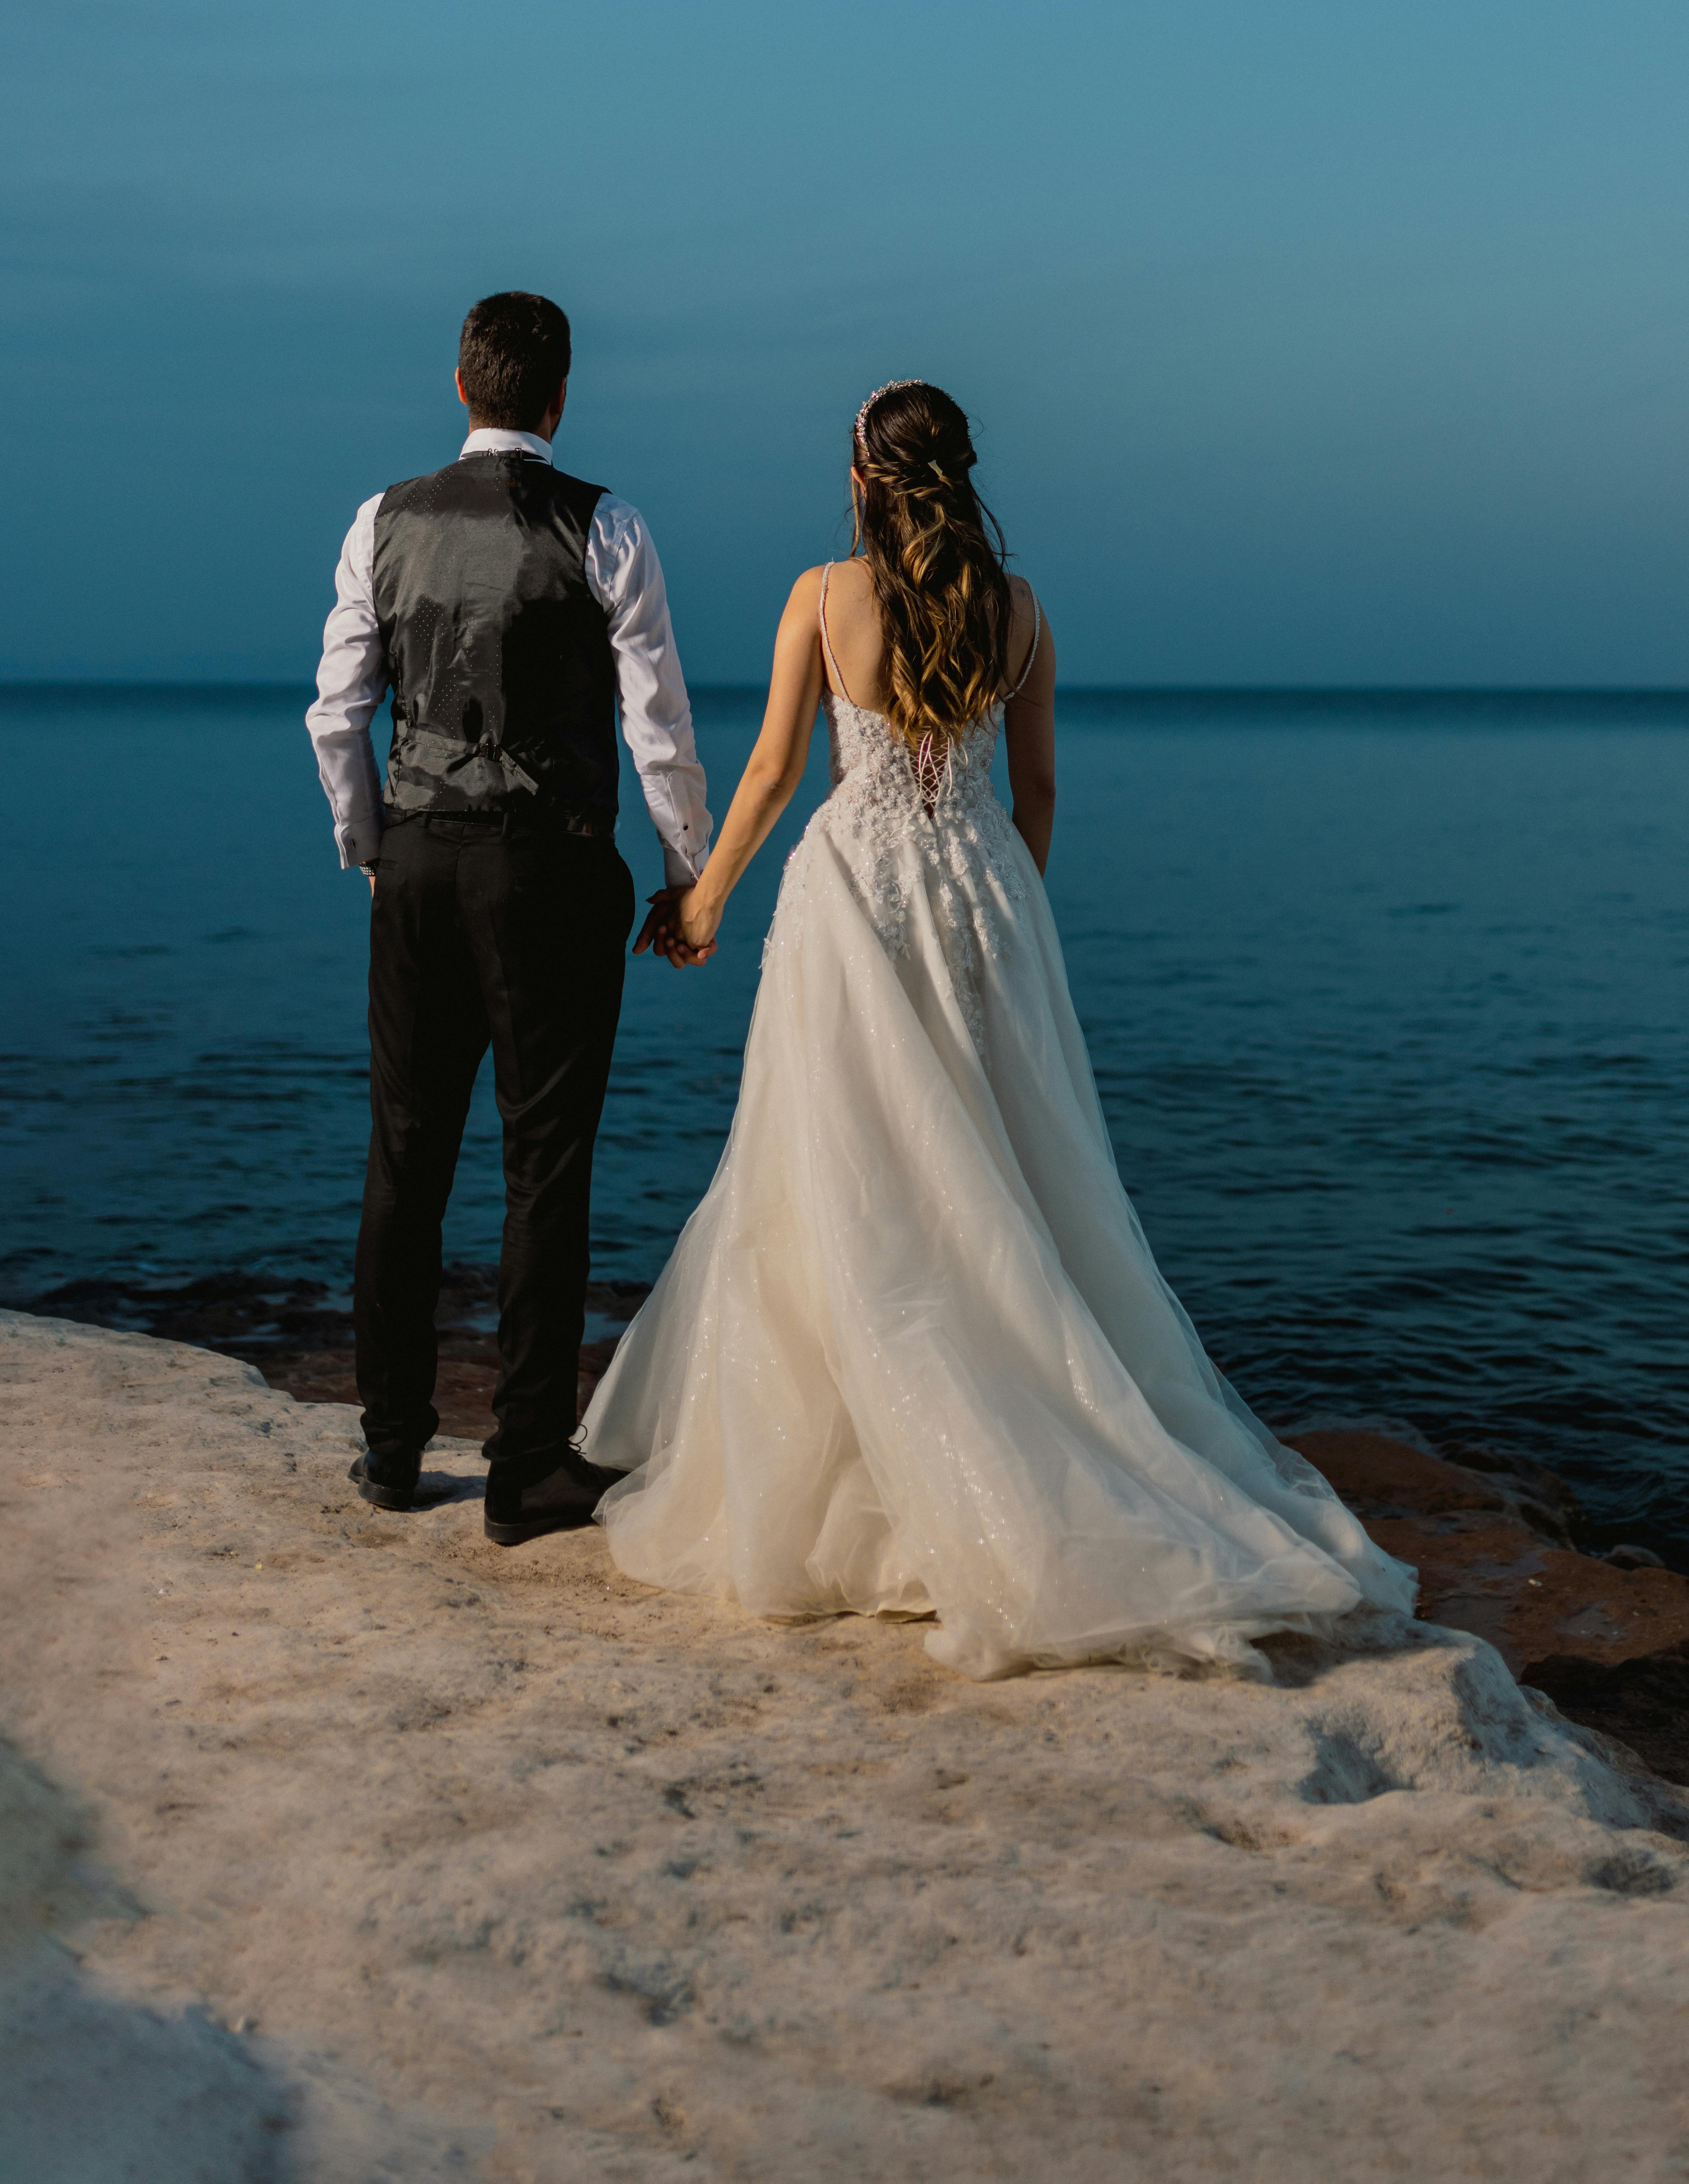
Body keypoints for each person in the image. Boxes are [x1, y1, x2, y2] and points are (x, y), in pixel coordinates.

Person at [579, 381, 1414, 1678]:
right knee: (1000, 1166)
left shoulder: (820, 596)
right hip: (984, 898)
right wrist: (998, 908)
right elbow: (1040, 790)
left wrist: (701, 900)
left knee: (845, 1174)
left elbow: (776, 773)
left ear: (863, 476)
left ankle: (873, 1466)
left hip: (853, 899)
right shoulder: (1019, 612)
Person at [305, 290, 710, 1545]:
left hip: (419, 867)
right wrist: (687, 874)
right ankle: (527, 1464)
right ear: (560, 395)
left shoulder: (383, 518)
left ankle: (388, 1447)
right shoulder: (609, 527)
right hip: (553, 872)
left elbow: (335, 714)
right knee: (545, 1168)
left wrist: (372, 848)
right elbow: (658, 731)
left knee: (404, 1156)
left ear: (463, 385)